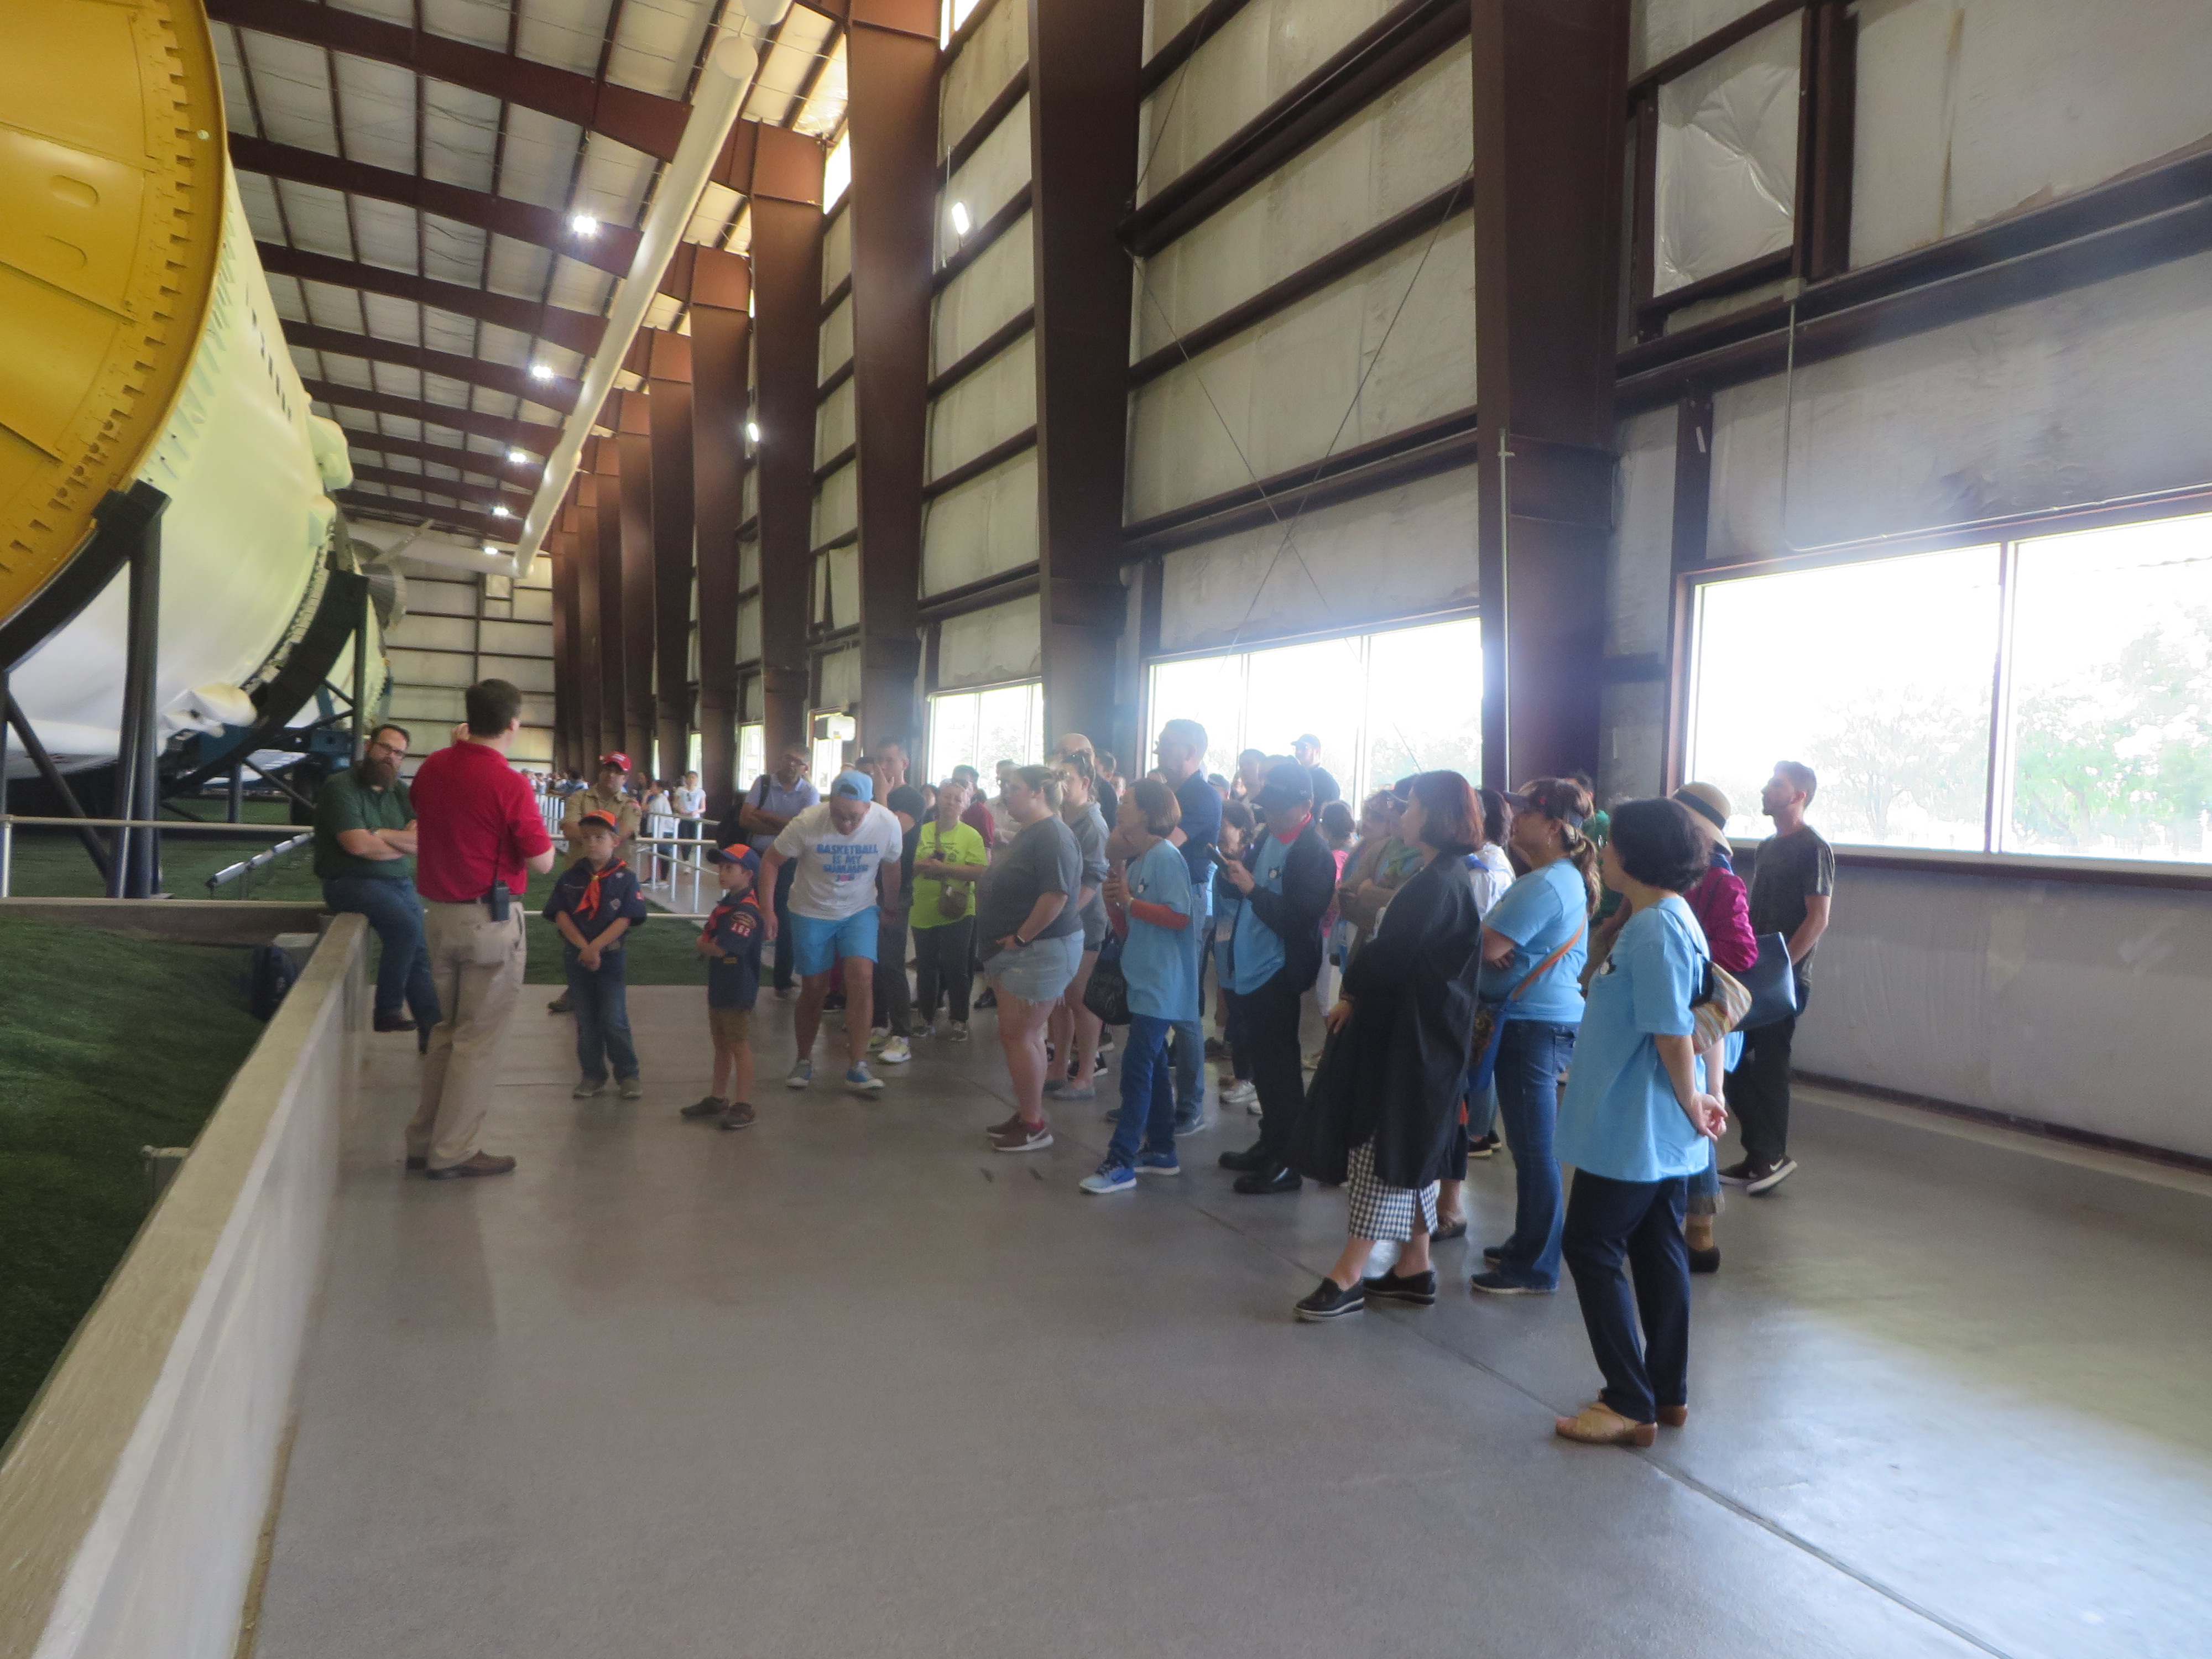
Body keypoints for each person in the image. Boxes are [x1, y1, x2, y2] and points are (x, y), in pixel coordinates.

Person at [1553, 798, 1728, 1447]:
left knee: (1590, 1245)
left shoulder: (1655, 929)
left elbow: (1673, 1030)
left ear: (1634, 853)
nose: (1602, 852)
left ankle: (1628, 1399)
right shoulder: (1669, 917)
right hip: (1656, 1124)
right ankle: (1665, 1389)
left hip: (1636, 1125)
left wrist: (1695, 1097)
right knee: (1657, 1249)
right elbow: (1706, 1014)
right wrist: (1703, 1095)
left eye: (1610, 843)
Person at [1290, 772, 1488, 1319]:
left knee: (1385, 1148)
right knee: (1408, 1144)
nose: (1401, 813)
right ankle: (1413, 1266)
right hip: (1417, 1035)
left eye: (1412, 805)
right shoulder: (1439, 876)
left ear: (1436, 816)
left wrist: (1354, 990)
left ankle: (1349, 1272)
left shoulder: (1437, 884)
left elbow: (1390, 956)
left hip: (1412, 1041)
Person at [406, 680, 557, 1180]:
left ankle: (424, 1139)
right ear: (514, 724)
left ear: (467, 718)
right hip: (488, 922)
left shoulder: (433, 767)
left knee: (445, 1032)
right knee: (477, 1040)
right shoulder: (509, 784)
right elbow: (542, 861)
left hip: (439, 916)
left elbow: (427, 807)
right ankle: (453, 1149)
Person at [1469, 777, 1596, 1294]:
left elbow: (1486, 944)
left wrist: (1483, 938)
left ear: (1555, 826)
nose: (1514, 818)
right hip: (1540, 1018)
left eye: (1526, 811)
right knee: (1530, 1146)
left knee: (1534, 1148)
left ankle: (1537, 1263)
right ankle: (1529, 1242)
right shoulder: (1558, 877)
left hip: (1532, 1022)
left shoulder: (1544, 884)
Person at [1216, 761, 1335, 1194]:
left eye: (1280, 806)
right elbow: (1247, 889)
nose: (1271, 813)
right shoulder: (1269, 836)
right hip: (1251, 967)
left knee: (1281, 1070)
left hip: (1278, 971)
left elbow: (1299, 919)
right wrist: (1229, 872)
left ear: (1306, 804)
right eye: (1267, 805)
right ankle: (1271, 1144)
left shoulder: (1313, 852)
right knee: (1265, 1069)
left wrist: (1251, 888)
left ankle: (1288, 1161)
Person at [1079, 780, 1195, 1194]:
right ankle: (1162, 1150)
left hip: (1162, 982)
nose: (1119, 807)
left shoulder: (1166, 857)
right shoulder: (1139, 861)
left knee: (1136, 1069)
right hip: (1142, 976)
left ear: (1146, 812)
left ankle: (1121, 1159)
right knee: (1154, 1068)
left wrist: (1129, 902)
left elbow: (1180, 917)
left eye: (1127, 802)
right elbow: (1130, 928)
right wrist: (1116, 903)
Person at [1660, 781, 1757, 1271]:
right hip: (1683, 1013)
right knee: (1686, 1111)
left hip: (1706, 1020)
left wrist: (1690, 958)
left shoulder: (1720, 881)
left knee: (1695, 1112)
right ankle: (1691, 1230)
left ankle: (1699, 1231)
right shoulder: (1680, 875)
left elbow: (1742, 952)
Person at [1724, 760, 1833, 1195]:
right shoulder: (1767, 847)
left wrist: (1784, 967)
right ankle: (1761, 1155)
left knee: (1770, 1064)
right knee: (1730, 1057)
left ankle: (1769, 1156)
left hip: (1786, 977)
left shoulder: (1814, 848)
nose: (1766, 790)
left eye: (1777, 784)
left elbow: (1818, 918)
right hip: (1756, 972)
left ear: (1799, 796)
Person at [759, 769, 903, 1094]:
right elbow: (770, 861)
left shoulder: (887, 823)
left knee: (862, 978)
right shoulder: (808, 821)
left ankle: (858, 1066)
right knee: (815, 988)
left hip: (860, 909)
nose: (845, 825)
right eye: (838, 815)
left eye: (854, 817)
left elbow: (892, 864)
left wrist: (890, 905)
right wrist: (767, 909)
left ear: (868, 807)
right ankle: (803, 1059)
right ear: (829, 803)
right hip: (811, 910)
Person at [976, 765, 1083, 1154]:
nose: (1006, 793)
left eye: (1014, 787)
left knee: (1018, 1035)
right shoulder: (1032, 831)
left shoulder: (1053, 834)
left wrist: (1021, 937)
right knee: (1027, 1036)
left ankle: (1034, 1125)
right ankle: (1028, 1115)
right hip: (1024, 952)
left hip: (1037, 952)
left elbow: (1056, 895)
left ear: (1039, 792)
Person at [315, 723, 437, 1037]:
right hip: (350, 882)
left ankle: (433, 1033)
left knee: (419, 952)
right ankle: (387, 1011)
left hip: (398, 883)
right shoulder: (340, 787)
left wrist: (379, 834)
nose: (391, 757)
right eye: (386, 748)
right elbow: (357, 846)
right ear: (369, 746)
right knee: (406, 929)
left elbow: (425, 841)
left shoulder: (399, 792)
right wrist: (401, 843)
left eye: (399, 753)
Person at [544, 810, 648, 1100]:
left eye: (600, 838)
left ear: (615, 841)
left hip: (611, 958)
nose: (592, 844)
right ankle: (592, 1075)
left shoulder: (625, 878)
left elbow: (625, 918)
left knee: (614, 1019)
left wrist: (596, 947)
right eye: (587, 838)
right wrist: (584, 948)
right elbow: (561, 915)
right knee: (586, 1021)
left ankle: (628, 1074)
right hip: (577, 957)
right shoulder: (571, 876)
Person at [1154, 717, 1223, 1135]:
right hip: (1160, 895)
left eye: (1169, 743)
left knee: (1183, 1003)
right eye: (1161, 741)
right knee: (1153, 997)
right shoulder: (1171, 792)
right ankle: (1152, 1098)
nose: (1159, 748)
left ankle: (1190, 1105)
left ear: (1192, 752)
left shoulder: (1201, 795)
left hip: (1188, 899)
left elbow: (1162, 844)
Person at [719, 745, 818, 998]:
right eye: (788, 757)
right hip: (754, 859)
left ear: (806, 768)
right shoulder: (762, 784)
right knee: (746, 913)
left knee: (785, 919)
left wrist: (764, 816)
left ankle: (782, 981)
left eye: (798, 761)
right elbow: (746, 820)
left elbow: (804, 830)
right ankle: (740, 973)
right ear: (780, 758)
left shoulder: (810, 793)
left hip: (788, 864)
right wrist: (787, 829)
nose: (791, 764)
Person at [682, 846, 765, 1131]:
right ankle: (718, 1098)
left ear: (749, 875)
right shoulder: (728, 905)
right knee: (721, 1044)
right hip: (721, 983)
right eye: (721, 867)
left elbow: (722, 947)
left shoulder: (746, 911)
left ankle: (744, 1105)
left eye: (730, 868)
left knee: (739, 1045)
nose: (722, 873)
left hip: (738, 986)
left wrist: (702, 945)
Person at [1047, 752, 1110, 1103]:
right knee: (1059, 999)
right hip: (1062, 919)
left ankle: (1086, 1074)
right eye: (1057, 776)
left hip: (1084, 922)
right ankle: (1058, 1066)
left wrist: (1064, 915)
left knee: (1080, 999)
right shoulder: (1060, 816)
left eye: (1067, 778)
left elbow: (1094, 879)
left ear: (1086, 783)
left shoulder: (1093, 824)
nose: (1061, 784)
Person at [911, 777, 988, 1038]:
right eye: (947, 797)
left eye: (958, 799)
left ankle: (959, 1019)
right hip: (922, 909)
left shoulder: (971, 836)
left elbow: (978, 872)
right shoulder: (921, 831)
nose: (951, 803)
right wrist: (924, 865)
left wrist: (944, 868)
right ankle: (925, 1017)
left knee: (957, 967)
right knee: (926, 966)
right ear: (937, 800)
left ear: (966, 804)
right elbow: (906, 865)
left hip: (958, 911)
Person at [870, 781, 927, 1067]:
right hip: (867, 891)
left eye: (889, 761)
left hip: (897, 893)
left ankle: (902, 1035)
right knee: (873, 962)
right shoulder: (872, 795)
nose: (883, 767)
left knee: (892, 963)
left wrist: (881, 797)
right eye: (879, 761)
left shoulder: (912, 798)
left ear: (904, 763)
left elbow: (888, 833)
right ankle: (879, 1025)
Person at [1209, 801, 1259, 1111]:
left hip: (1246, 950)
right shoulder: (1222, 861)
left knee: (1245, 1017)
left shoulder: (1252, 861)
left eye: (1223, 824)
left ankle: (1249, 1079)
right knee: (1235, 1013)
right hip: (1225, 946)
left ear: (1242, 830)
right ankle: (1243, 1073)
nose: (1217, 830)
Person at [949, 763, 997, 849]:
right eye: (954, 782)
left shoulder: (982, 814)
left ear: (974, 789)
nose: (957, 787)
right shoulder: (946, 807)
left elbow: (986, 850)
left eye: (963, 784)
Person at [1292, 734, 1342, 807]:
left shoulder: (1326, 782)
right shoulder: (1293, 777)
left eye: (1304, 748)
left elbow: (1329, 812)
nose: (1299, 752)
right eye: (1297, 748)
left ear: (1317, 752)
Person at [673, 770, 707, 843]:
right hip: (684, 818)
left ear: (697, 780)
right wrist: (679, 809)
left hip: (695, 819)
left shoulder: (701, 792)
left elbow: (703, 808)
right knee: (684, 839)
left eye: (693, 778)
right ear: (686, 780)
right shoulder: (680, 790)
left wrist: (696, 812)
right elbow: (675, 804)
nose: (691, 780)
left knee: (693, 839)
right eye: (689, 778)